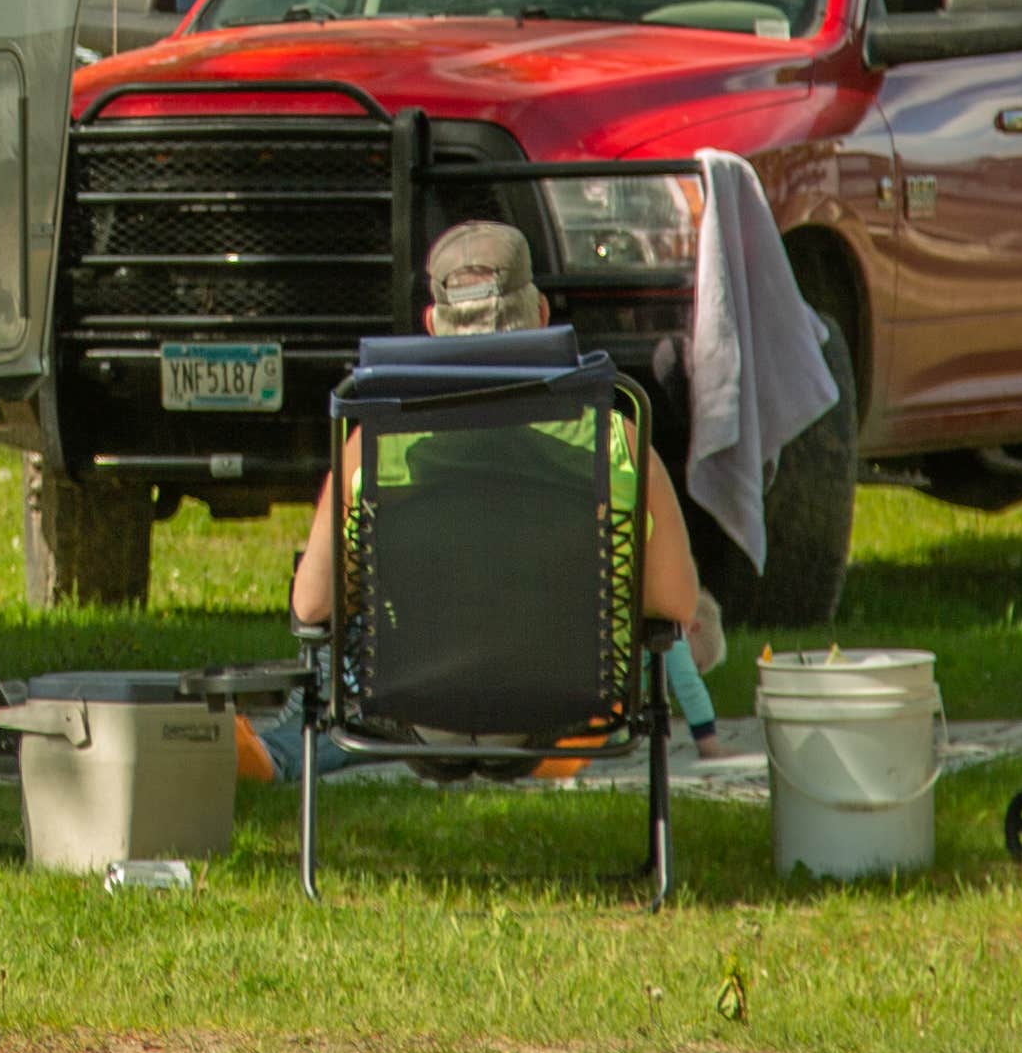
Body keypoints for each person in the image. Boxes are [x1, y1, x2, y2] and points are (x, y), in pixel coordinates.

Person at [279, 222, 719, 760]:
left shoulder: (372, 441)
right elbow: (675, 600)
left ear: (431, 326)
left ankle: (275, 753)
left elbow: (312, 602)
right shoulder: (616, 436)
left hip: (412, 708)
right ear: (539, 316)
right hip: (569, 705)